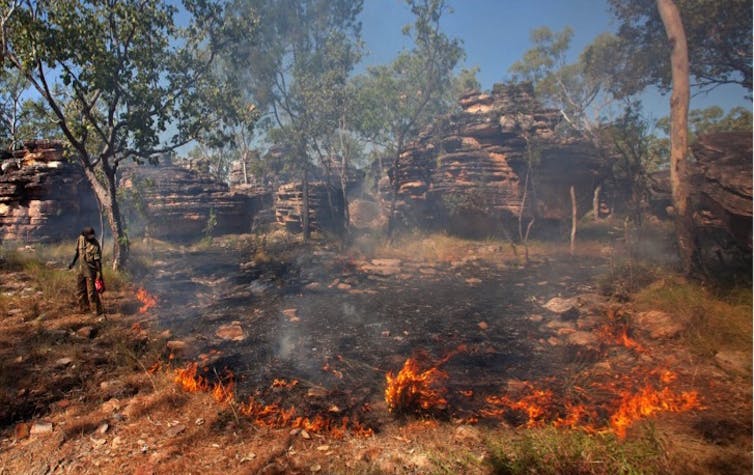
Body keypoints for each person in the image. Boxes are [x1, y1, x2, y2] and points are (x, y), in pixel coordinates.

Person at [68, 226, 104, 316]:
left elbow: (97, 261)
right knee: (80, 290)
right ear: (85, 235)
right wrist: (72, 263)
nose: (92, 237)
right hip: (81, 270)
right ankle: (84, 309)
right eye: (90, 236)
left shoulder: (95, 245)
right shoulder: (81, 239)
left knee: (92, 293)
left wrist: (99, 274)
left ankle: (97, 310)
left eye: (93, 235)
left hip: (91, 271)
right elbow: (77, 252)